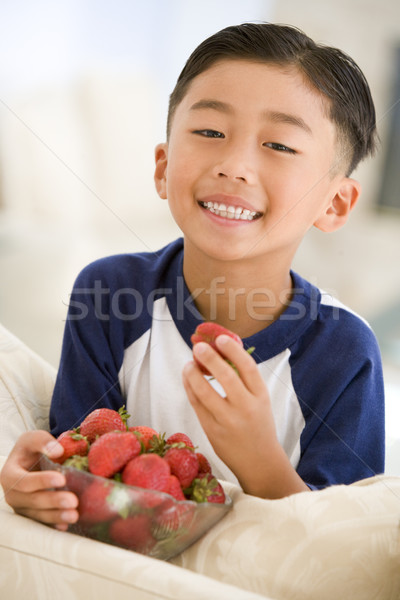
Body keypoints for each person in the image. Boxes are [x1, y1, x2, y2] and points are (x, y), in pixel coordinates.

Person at [1, 22, 385, 530]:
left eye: (280, 145)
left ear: (334, 202)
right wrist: (43, 488)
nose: (234, 164)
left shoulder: (345, 353)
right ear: (163, 167)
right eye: (209, 132)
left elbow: (342, 548)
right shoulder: (108, 295)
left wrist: (259, 461)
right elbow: (81, 474)